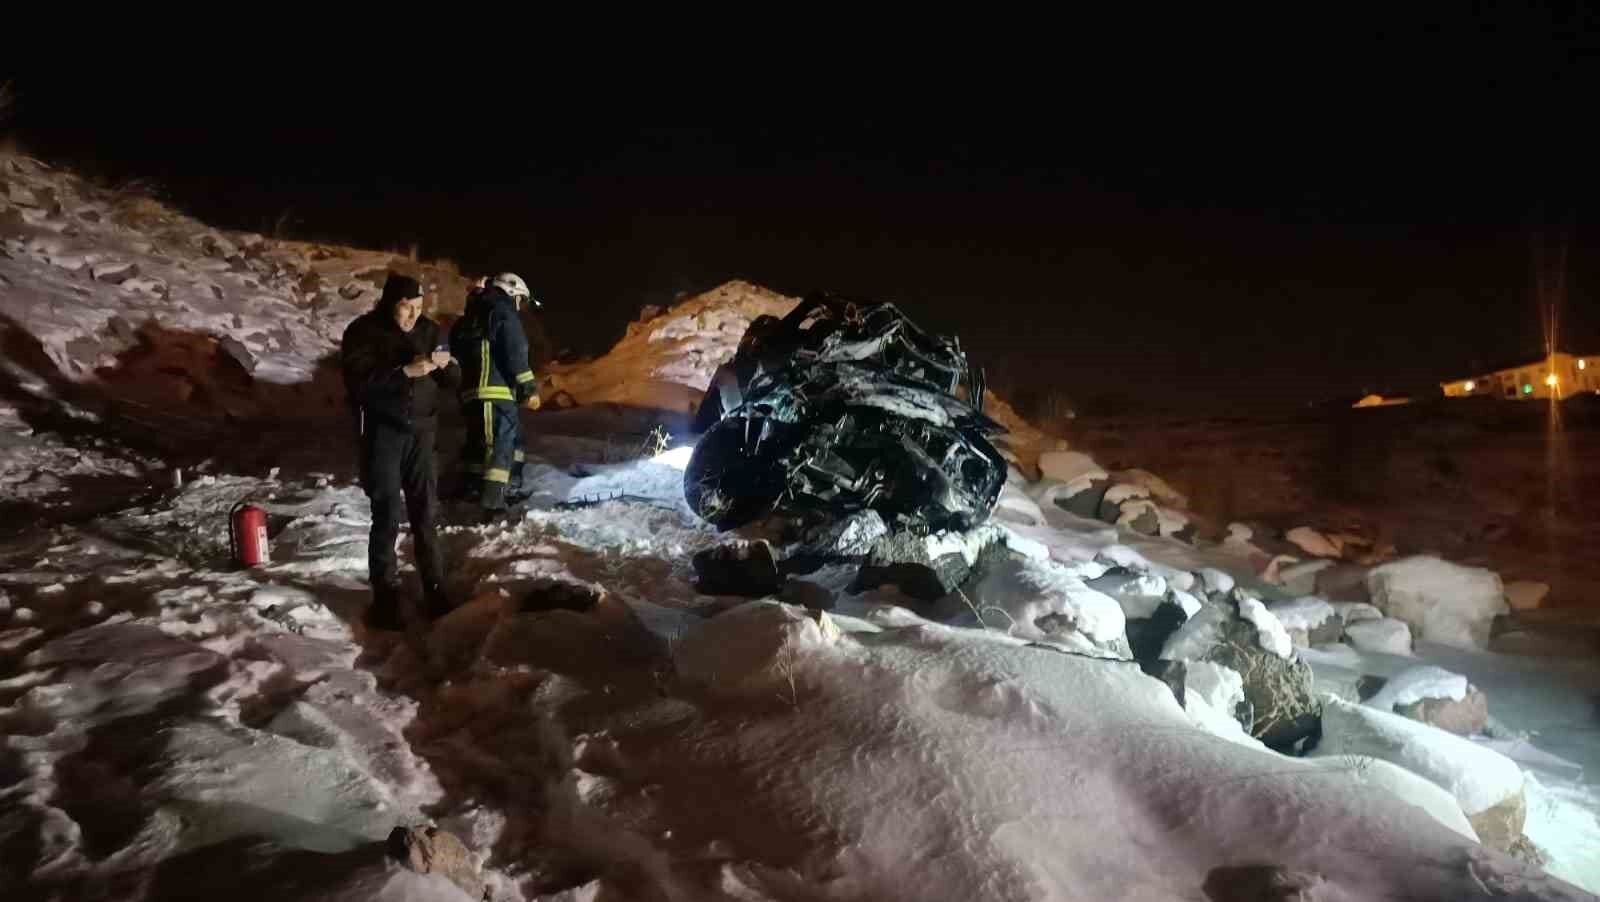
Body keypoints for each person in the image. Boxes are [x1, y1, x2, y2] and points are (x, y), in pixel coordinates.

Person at [340, 273, 458, 629]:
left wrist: (448, 366)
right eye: (406, 308)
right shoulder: (363, 332)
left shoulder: (429, 331)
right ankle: (386, 599)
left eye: (418, 308)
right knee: (387, 514)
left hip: (422, 434)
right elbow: (358, 385)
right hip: (383, 434)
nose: (412, 316)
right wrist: (404, 371)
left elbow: (450, 382)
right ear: (391, 303)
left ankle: (436, 590)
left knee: (425, 513)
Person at [450, 272, 541, 516]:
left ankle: (472, 491)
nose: (520, 307)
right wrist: (528, 387)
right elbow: (515, 350)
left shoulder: (470, 316)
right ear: (511, 292)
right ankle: (492, 505)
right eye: (520, 300)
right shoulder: (502, 311)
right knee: (499, 447)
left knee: (479, 446)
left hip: (471, 394)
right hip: (496, 391)